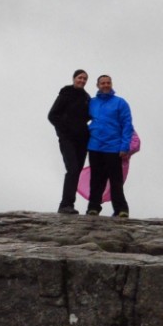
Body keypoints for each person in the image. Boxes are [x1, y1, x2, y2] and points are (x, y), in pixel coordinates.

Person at [85, 75, 133, 217]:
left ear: (111, 84)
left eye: (108, 83)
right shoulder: (91, 103)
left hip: (113, 147)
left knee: (115, 180)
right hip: (94, 147)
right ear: (97, 85)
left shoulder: (120, 103)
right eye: (103, 83)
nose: (106, 85)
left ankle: (121, 210)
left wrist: (125, 146)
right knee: (96, 179)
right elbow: (80, 118)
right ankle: (93, 208)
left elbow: (127, 125)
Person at [46, 69, 92, 213]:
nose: (82, 81)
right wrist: (65, 131)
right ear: (74, 78)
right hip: (67, 139)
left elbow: (89, 117)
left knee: (76, 171)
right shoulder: (66, 93)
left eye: (85, 79)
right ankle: (65, 204)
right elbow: (52, 115)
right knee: (72, 169)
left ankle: (69, 204)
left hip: (82, 140)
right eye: (80, 78)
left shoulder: (87, 97)